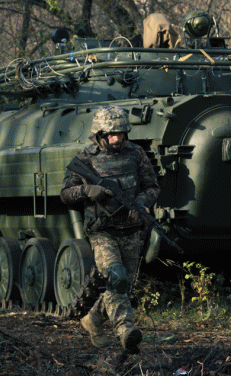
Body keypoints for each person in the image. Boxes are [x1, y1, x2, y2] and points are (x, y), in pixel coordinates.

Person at [60, 106, 160, 354]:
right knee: (116, 276)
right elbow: (65, 193)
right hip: (102, 231)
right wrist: (86, 191)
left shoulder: (136, 154)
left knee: (122, 286)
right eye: (111, 134)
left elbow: (153, 187)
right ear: (100, 134)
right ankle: (125, 330)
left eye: (121, 134)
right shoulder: (85, 157)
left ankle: (92, 319)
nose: (117, 139)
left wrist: (142, 203)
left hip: (131, 230)